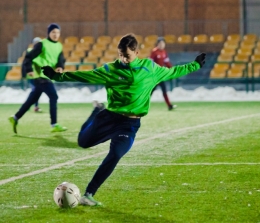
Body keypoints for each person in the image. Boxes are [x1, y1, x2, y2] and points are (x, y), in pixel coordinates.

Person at [41, 34, 206, 206]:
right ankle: (96, 111)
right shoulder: (111, 69)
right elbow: (85, 76)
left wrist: (195, 64)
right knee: (83, 142)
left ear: (136, 52)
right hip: (109, 118)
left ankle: (88, 194)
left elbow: (173, 71)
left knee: (116, 154)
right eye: (120, 54)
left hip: (129, 125)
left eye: (126, 55)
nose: (123, 59)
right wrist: (57, 76)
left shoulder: (150, 68)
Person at [9, 23, 67, 134]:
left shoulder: (59, 46)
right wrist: (29, 69)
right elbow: (28, 57)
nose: (56, 34)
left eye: (57, 32)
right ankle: (54, 124)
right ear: (48, 33)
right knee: (53, 96)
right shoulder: (41, 44)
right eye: (53, 32)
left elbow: (61, 59)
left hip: (47, 76)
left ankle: (15, 117)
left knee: (32, 100)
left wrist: (60, 67)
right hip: (39, 75)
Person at [150, 37, 177, 110]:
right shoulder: (154, 52)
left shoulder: (164, 52)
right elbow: (150, 63)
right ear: (158, 44)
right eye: (161, 43)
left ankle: (169, 105)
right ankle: (141, 105)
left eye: (163, 43)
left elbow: (167, 62)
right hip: (155, 76)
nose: (162, 45)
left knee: (164, 90)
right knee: (150, 92)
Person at [21, 37, 43, 113]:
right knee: (35, 90)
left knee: (36, 90)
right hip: (31, 74)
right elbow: (25, 63)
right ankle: (31, 105)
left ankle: (29, 104)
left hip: (37, 75)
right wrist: (24, 73)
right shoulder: (30, 51)